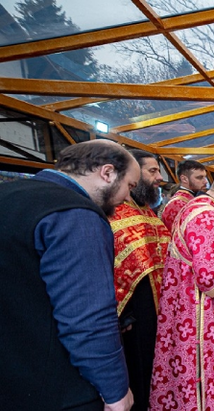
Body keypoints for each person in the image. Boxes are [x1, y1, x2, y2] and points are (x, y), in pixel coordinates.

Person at [0, 140, 138, 411]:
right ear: (107, 173)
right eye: (129, 186)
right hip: (57, 388)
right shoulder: (75, 215)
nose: (128, 198)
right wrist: (114, 390)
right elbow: (87, 316)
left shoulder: (7, 195)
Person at [149, 169, 214, 411]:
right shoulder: (210, 217)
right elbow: (211, 278)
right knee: (206, 367)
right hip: (201, 311)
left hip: (184, 303)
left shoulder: (191, 207)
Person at [109, 150, 171, 411]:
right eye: (152, 171)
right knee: (138, 366)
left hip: (158, 306)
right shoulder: (115, 213)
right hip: (133, 312)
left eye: (158, 171)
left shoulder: (148, 212)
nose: (159, 178)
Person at [160, 159, 207, 230]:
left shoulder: (189, 199)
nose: (205, 181)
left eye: (205, 177)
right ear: (184, 179)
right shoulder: (178, 204)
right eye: (199, 178)